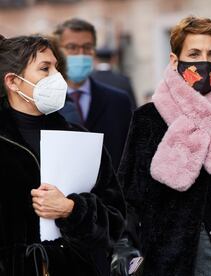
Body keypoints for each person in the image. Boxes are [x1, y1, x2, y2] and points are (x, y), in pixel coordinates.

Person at [119, 16, 211, 276]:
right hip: (167, 254)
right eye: (194, 53)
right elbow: (129, 192)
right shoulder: (148, 118)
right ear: (175, 60)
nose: (205, 61)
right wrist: (128, 246)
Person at [0, 34, 125, 276]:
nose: (57, 77)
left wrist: (71, 209)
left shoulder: (79, 139)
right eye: (45, 69)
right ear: (13, 82)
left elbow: (115, 222)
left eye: (56, 67)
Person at [54, 18, 132, 170]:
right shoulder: (46, 101)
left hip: (110, 191)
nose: (81, 54)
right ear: (57, 51)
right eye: (72, 47)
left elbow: (128, 154)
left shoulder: (118, 101)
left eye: (87, 47)